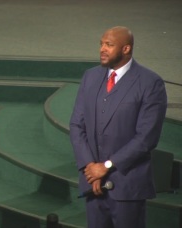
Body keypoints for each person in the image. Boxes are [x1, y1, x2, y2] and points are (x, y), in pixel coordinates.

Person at [69, 26, 167, 228]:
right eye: (101, 44)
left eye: (109, 45)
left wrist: (105, 167)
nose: (102, 49)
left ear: (126, 49)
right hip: (93, 185)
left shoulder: (150, 83)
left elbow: (146, 138)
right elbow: (77, 125)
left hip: (127, 186)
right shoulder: (90, 76)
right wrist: (90, 168)